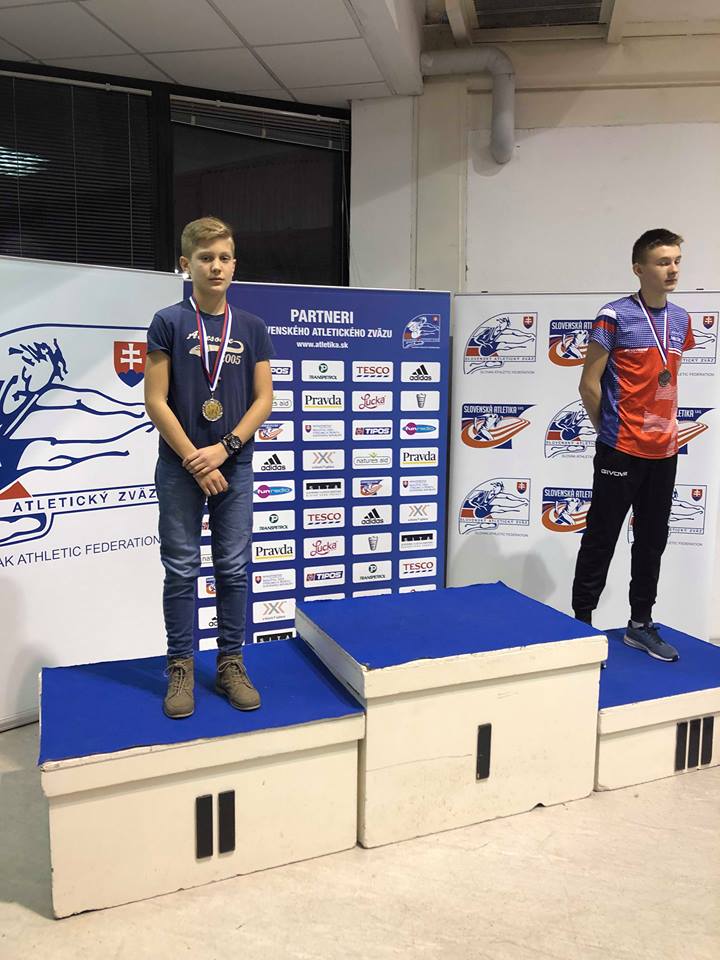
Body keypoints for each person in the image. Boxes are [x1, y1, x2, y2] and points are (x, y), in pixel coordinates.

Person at [145, 217, 274, 717]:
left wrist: (225, 448)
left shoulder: (252, 327)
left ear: (234, 265)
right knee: (181, 568)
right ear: (186, 264)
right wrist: (197, 461)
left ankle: (230, 662)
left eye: (223, 257)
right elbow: (156, 401)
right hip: (180, 466)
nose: (215, 266)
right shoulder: (168, 321)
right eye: (205, 258)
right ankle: (180, 665)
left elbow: (264, 400)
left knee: (233, 567)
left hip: (233, 465)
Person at [572, 228, 694, 662]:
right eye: (663, 262)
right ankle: (580, 627)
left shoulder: (681, 319)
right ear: (639, 269)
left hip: (664, 451)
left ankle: (640, 624)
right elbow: (589, 384)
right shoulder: (614, 316)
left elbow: (667, 380)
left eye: (676, 260)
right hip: (620, 449)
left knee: (652, 540)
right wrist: (611, 434)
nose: (672, 269)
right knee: (601, 537)